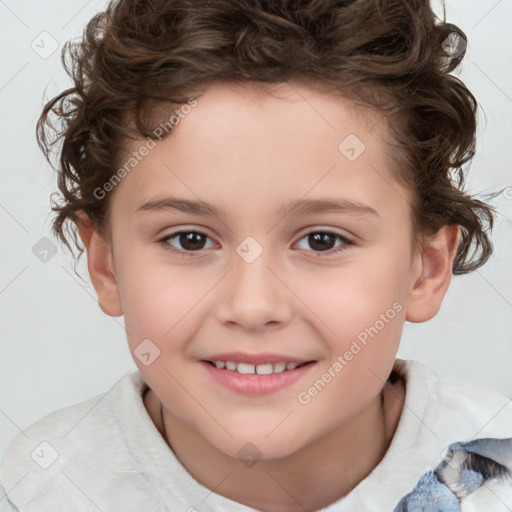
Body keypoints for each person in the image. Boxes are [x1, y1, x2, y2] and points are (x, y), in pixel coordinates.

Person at [1, 0, 511, 510]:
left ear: (426, 269)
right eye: (190, 239)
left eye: (322, 240)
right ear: (106, 266)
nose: (252, 306)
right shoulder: (33, 490)